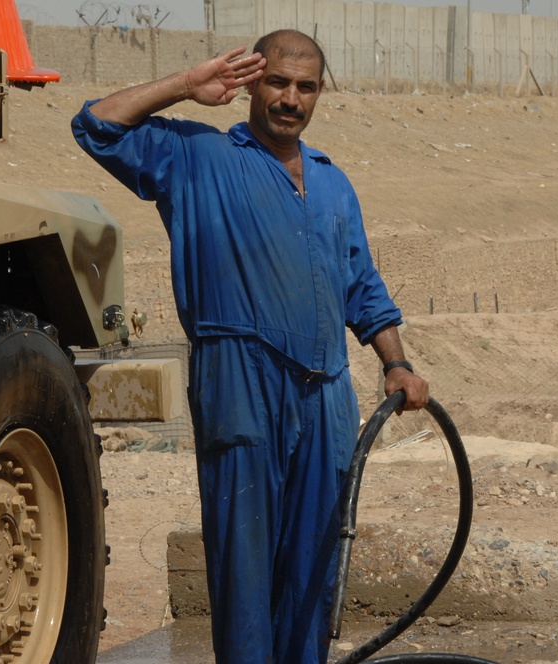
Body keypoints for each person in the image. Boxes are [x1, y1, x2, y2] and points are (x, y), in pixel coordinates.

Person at [71, 29, 429, 664]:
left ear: (320, 93)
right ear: (251, 83)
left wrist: (396, 363)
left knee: (315, 563)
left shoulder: (332, 182)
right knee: (245, 562)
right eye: (277, 82)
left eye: (305, 87)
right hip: (240, 378)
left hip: (327, 392)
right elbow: (96, 125)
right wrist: (186, 85)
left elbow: (361, 285)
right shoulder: (197, 156)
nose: (290, 99)